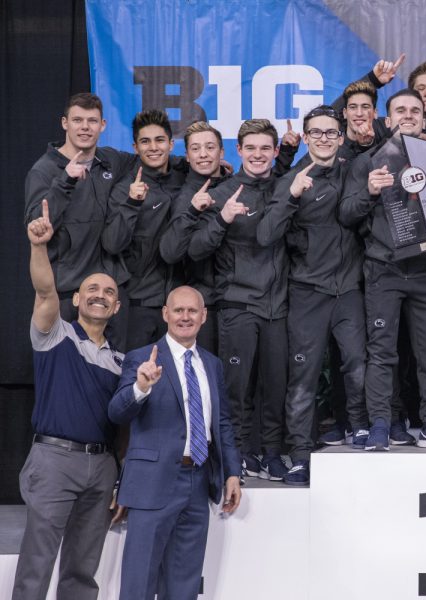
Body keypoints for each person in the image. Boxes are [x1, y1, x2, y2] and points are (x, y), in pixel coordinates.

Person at [340, 88, 426, 450]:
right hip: (384, 271)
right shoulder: (368, 161)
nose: (408, 115)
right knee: (381, 353)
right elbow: (346, 213)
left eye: (415, 110)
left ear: (424, 120)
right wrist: (369, 192)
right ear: (387, 119)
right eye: (400, 110)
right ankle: (380, 423)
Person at [14, 200, 123, 600]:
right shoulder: (55, 335)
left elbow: (123, 424)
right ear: (76, 299)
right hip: (54, 462)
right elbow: (44, 290)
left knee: (83, 568)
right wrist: (39, 247)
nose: (100, 295)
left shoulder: (121, 362)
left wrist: (119, 479)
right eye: (91, 289)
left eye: (108, 292)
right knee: (37, 563)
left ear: (117, 306)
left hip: (102, 467)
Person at [257, 105, 368, 484]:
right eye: (315, 133)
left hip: (349, 289)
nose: (323, 138)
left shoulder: (355, 171)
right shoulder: (289, 178)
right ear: (305, 138)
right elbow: (265, 235)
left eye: (330, 133)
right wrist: (290, 196)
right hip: (307, 293)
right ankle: (301, 455)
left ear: (341, 137)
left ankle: (360, 430)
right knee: (303, 379)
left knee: (357, 364)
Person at [109, 286, 242, 600]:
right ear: (165, 314)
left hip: (197, 483)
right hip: (152, 486)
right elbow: (116, 412)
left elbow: (221, 422)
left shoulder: (212, 364)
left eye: (192, 311)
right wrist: (141, 387)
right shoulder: (142, 358)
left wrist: (232, 473)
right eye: (178, 310)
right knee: (138, 583)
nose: (185, 317)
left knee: (184, 584)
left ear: (203, 316)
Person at [189, 118, 289, 482]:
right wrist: (223, 220)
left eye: (266, 148)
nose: (258, 154)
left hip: (278, 306)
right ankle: (239, 456)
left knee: (275, 386)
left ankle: (272, 454)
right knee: (237, 390)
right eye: (251, 148)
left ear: (276, 152)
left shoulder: (284, 188)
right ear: (239, 151)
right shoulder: (222, 193)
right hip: (237, 304)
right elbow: (196, 249)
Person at [24, 93, 134, 349]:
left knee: (113, 376)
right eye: (78, 120)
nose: (85, 127)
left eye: (92, 121)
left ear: (103, 125)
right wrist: (66, 181)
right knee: (68, 378)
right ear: (65, 123)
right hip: (67, 295)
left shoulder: (110, 160)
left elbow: (150, 160)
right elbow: (36, 226)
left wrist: (194, 166)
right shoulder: (44, 170)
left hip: (108, 293)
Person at [104, 109, 186, 351]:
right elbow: (112, 244)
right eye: (145, 141)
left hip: (176, 304)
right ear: (135, 147)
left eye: (160, 140)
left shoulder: (184, 177)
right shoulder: (125, 188)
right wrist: (132, 203)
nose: (153, 147)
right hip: (138, 303)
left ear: (171, 144)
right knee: (133, 377)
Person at [159, 120, 230, 353]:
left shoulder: (233, 184)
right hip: (205, 302)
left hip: (238, 301)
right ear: (187, 156)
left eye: (210, 147)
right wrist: (192, 212)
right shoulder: (183, 199)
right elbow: (170, 253)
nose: (203, 155)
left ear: (221, 152)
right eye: (195, 149)